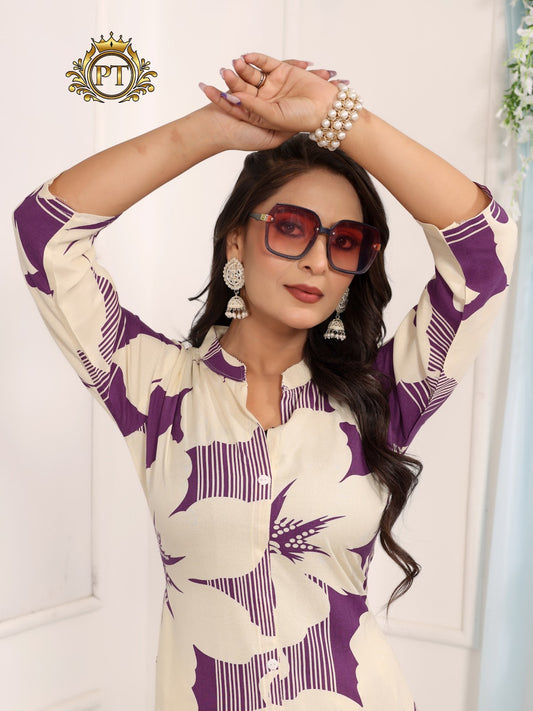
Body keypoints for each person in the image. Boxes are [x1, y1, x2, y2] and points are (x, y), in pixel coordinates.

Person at [14, 53, 516, 710]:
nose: (317, 259)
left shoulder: (381, 395)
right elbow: (46, 232)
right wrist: (219, 127)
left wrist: (338, 117)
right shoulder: (154, 389)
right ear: (235, 243)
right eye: (290, 228)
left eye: (343, 242)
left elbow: (484, 253)